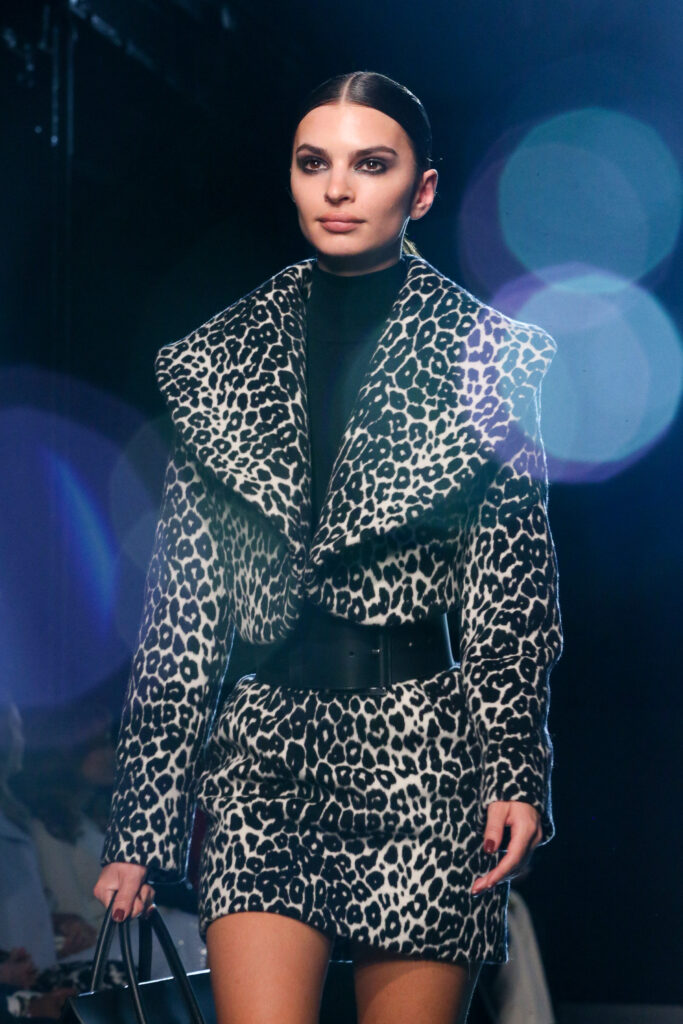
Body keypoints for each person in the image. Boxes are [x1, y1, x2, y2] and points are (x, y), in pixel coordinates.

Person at [94, 70, 563, 1024]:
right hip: (262, 758)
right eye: (314, 164)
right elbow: (183, 615)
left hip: (422, 759)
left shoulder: (488, 360)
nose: (338, 189)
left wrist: (514, 769)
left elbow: (511, 596)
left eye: (370, 165)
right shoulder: (220, 364)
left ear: (420, 191)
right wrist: (143, 823)